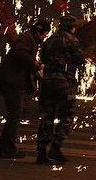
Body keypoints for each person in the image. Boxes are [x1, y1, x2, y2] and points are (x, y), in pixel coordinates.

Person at [0, 19, 49, 158]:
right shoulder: (26, 38)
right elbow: (21, 54)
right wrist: (34, 63)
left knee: (15, 114)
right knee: (15, 114)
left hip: (14, 80)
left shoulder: (29, 38)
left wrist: (35, 68)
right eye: (44, 35)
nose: (44, 38)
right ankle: (7, 149)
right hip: (12, 81)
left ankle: (4, 148)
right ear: (39, 32)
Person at [36, 15, 85, 165]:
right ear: (72, 27)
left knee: (47, 116)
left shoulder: (49, 40)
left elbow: (42, 58)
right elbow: (79, 59)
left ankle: (41, 152)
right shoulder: (72, 40)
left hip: (48, 81)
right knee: (68, 114)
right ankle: (56, 146)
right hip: (64, 81)